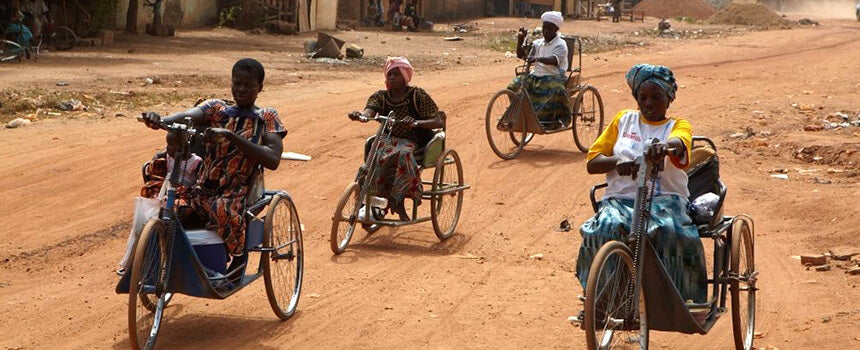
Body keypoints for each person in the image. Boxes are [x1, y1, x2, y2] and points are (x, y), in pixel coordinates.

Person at [573, 64, 707, 318]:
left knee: (671, 232)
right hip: (621, 199)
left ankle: (687, 299)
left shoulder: (678, 125)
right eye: (642, 97)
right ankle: (600, 300)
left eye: (656, 97)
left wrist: (665, 147)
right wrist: (617, 163)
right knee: (604, 228)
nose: (648, 103)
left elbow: (681, 143)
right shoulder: (623, 120)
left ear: (669, 99)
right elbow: (593, 161)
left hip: (664, 200)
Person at [141, 58, 286, 256]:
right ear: (231, 83)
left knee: (221, 211)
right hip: (203, 189)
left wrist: (231, 137)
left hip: (236, 193)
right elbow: (186, 116)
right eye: (237, 83)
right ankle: (165, 265)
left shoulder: (266, 117)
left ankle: (221, 260)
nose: (241, 89)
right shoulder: (216, 109)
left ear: (259, 87)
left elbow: (273, 159)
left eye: (248, 85)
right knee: (166, 208)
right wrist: (160, 120)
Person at [348, 57, 444, 221]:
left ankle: (397, 200)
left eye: (396, 75)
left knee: (403, 154)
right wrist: (362, 115)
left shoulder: (417, 95)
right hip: (388, 138)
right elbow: (370, 110)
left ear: (405, 77)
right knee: (375, 157)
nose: (392, 78)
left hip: (415, 141)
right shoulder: (381, 96)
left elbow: (438, 121)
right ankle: (370, 199)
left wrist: (416, 123)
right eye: (389, 75)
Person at [508, 11, 570, 130]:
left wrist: (537, 58)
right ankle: (520, 113)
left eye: (549, 28)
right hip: (536, 75)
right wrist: (520, 39)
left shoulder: (560, 44)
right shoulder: (538, 43)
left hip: (553, 75)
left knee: (556, 90)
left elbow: (554, 60)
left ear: (556, 29)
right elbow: (522, 55)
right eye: (544, 28)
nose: (546, 31)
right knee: (513, 87)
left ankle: (553, 120)